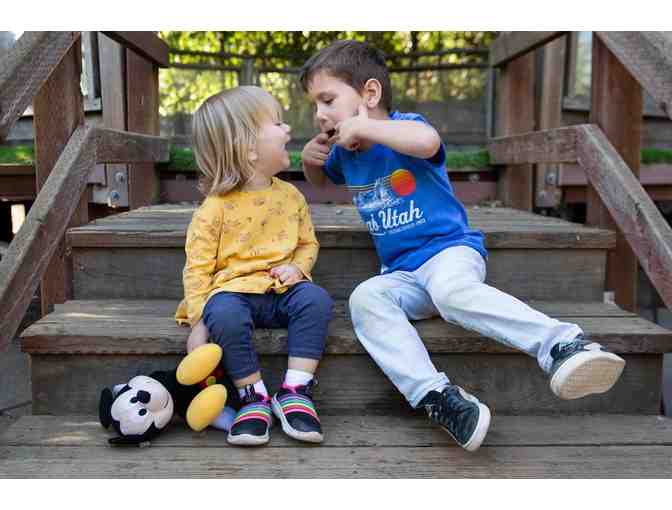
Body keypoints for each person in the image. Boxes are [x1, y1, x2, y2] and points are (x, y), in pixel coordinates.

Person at [299, 40, 625, 452]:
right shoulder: (346, 155)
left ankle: (562, 344)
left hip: (448, 253)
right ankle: (437, 397)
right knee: (364, 298)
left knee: (451, 292)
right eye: (315, 105)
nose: (319, 114)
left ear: (369, 94)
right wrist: (312, 161)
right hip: (402, 274)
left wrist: (366, 127)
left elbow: (427, 142)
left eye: (327, 99)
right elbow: (321, 181)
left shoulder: (405, 127)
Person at [175, 86, 334, 446]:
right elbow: (198, 267)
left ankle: (296, 389)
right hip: (233, 293)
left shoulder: (292, 196)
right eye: (278, 122)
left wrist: (298, 268)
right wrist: (199, 322)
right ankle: (252, 396)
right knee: (224, 313)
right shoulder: (215, 208)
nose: (289, 129)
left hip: (283, 291)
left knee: (318, 300)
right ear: (248, 148)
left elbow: (308, 242)